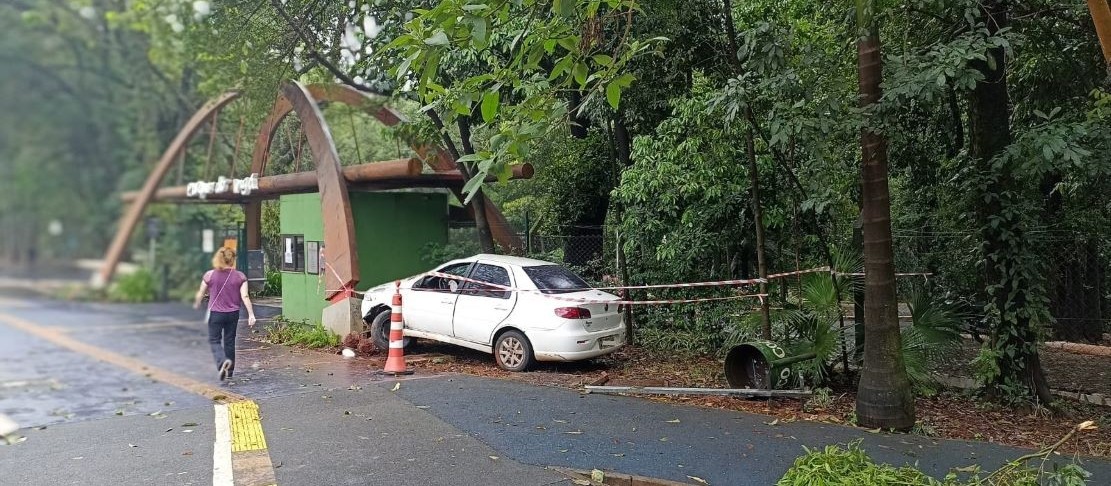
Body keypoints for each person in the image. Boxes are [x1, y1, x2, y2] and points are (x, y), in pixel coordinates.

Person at [193, 247, 256, 381]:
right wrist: (251, 314)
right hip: (233, 314)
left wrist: (197, 303)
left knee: (214, 340)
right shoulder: (240, 276)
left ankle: (222, 362)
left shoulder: (209, 275)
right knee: (229, 341)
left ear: (218, 258)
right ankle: (230, 371)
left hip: (216, 313)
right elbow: (245, 296)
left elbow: (201, 291)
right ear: (233, 259)